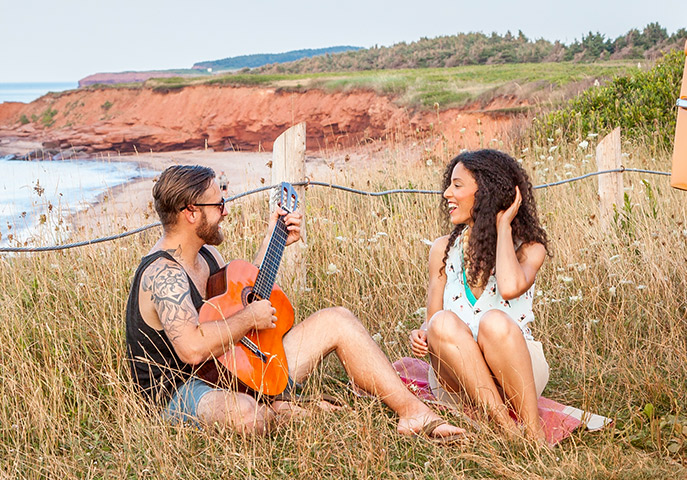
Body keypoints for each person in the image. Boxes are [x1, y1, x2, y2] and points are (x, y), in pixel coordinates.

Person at [124, 164, 465, 440]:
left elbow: (242, 294)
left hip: (234, 366)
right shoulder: (162, 274)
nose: (225, 212)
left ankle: (413, 413)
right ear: (190, 212)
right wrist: (249, 320)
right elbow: (192, 351)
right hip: (178, 390)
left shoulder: (206, 254)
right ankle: (278, 409)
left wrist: (276, 239)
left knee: (338, 320)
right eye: (218, 205)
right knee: (247, 416)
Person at [406, 149, 553, 442]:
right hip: (458, 378)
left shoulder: (529, 248)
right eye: (449, 184)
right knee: (443, 323)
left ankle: (533, 433)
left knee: (494, 322)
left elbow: (510, 287)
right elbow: (432, 320)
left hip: (515, 372)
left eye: (457, 185)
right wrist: (421, 334)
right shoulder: (442, 250)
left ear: (485, 191)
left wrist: (502, 226)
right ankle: (507, 428)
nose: (447, 193)